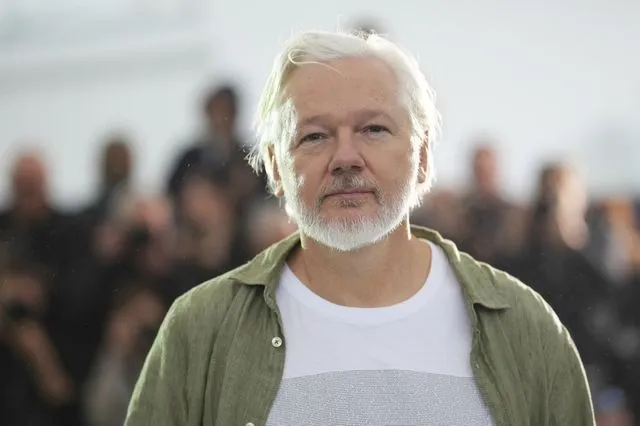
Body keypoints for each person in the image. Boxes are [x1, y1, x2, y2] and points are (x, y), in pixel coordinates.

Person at [125, 30, 595, 425]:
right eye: (314, 135)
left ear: (423, 155)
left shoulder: (524, 330)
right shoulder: (201, 332)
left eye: (374, 129)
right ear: (275, 166)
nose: (346, 158)